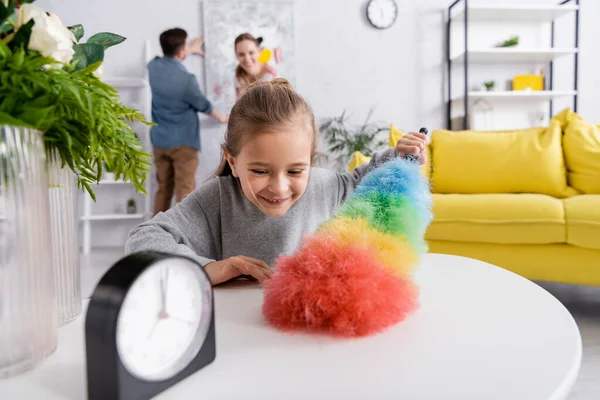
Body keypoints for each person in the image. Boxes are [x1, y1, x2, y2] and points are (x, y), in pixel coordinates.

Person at [125, 79, 428, 286]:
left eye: (296, 171)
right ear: (233, 162)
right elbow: (143, 240)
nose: (280, 188)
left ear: (310, 161)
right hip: (239, 338)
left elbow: (363, 180)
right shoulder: (218, 199)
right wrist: (206, 268)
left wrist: (398, 156)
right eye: (260, 171)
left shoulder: (324, 186)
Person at [148, 28, 228, 215]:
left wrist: (188, 49)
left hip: (159, 141)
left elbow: (169, 59)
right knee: (184, 191)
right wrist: (221, 117)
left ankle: (153, 234)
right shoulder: (187, 80)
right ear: (181, 51)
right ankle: (179, 237)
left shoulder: (153, 67)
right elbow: (203, 104)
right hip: (183, 143)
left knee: (163, 190)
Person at [234, 33, 278, 98]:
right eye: (241, 54)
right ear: (236, 56)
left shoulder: (271, 75)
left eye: (251, 53)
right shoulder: (238, 77)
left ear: (259, 52)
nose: (247, 59)